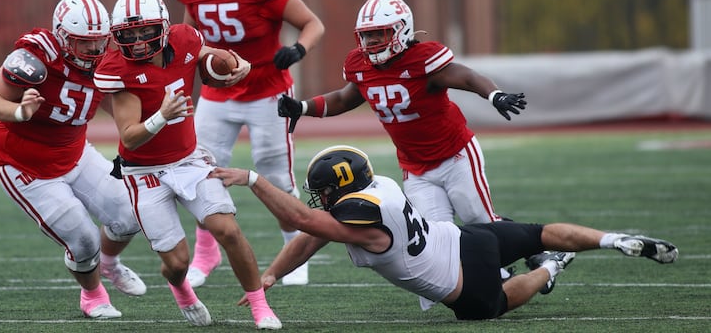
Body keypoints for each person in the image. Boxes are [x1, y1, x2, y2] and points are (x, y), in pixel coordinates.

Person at [211, 145, 679, 320]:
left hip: (461, 284)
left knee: (500, 302)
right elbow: (311, 238)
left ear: (342, 188)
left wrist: (253, 179)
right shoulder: (382, 185)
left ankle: (550, 271)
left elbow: (303, 223)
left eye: (325, 191)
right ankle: (611, 239)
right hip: (467, 238)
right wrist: (272, 275)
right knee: (538, 232)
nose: (322, 198)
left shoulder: (357, 213)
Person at [277, 0, 526, 283]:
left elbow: (467, 77)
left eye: (379, 34)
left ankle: (538, 250)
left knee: (479, 220)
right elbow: (345, 99)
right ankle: (497, 274)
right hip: (415, 166)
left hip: (455, 154)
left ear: (401, 30)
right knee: (438, 238)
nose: (371, 42)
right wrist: (303, 107)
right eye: (367, 35)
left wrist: (494, 94)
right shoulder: (361, 64)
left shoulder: (422, 59)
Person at [93, 0, 282, 329]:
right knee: (178, 263)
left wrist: (236, 62)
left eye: (145, 31)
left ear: (164, 28)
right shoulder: (118, 69)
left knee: (227, 230)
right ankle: (181, 290)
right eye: (129, 34)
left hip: (188, 159)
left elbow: (206, 54)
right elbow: (130, 136)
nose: (138, 41)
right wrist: (162, 116)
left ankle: (260, 305)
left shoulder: (184, 39)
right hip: (144, 170)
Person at [0, 0, 147, 319]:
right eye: (85, 43)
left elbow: (112, 103)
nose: (94, 50)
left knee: (131, 214)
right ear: (63, 38)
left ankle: (109, 263)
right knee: (84, 240)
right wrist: (19, 111)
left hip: (76, 154)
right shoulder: (37, 57)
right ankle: (92, 294)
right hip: (27, 166)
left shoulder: (107, 59)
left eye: (99, 42)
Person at [170, 0, 324, 287]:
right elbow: (188, 35)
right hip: (217, 92)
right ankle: (207, 252)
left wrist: (298, 50)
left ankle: (293, 249)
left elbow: (313, 24)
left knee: (276, 174)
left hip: (267, 90)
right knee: (202, 170)